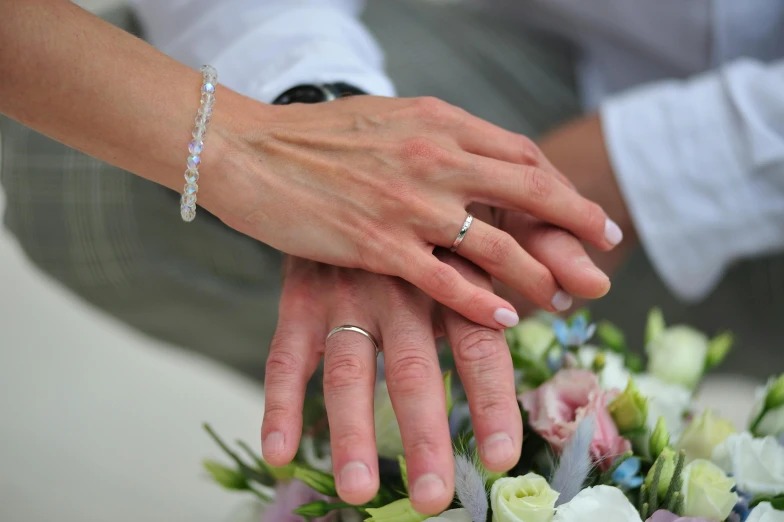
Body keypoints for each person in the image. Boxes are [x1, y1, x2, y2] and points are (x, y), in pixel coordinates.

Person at [0, 0, 618, 515]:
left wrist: (642, 163)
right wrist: (300, 128)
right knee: (70, 178)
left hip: (697, 146)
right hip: (543, 29)